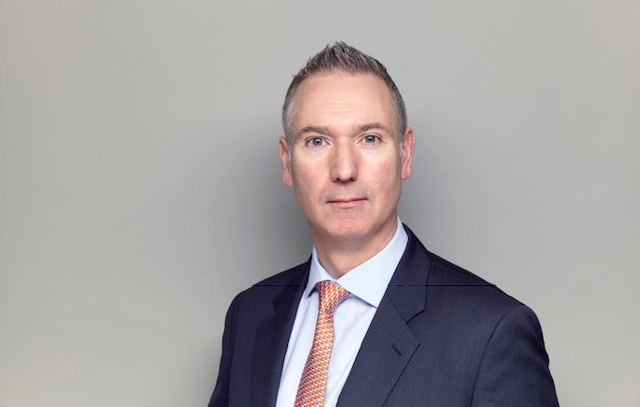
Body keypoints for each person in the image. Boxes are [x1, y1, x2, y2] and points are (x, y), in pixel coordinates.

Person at [208, 42, 558, 406]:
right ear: (287, 162)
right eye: (317, 141)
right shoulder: (248, 315)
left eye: (370, 138)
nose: (344, 170)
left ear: (405, 154)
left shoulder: (491, 331)